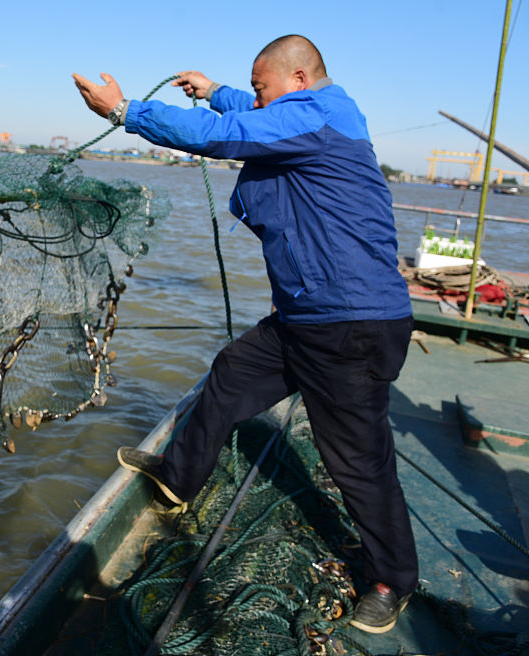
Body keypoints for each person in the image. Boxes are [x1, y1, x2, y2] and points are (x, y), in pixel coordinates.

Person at [73, 35, 417, 635]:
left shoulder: (321, 115)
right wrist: (216, 93)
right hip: (307, 319)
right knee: (233, 372)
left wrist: (126, 113)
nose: (252, 98)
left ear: (301, 79)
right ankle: (179, 475)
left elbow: (231, 135)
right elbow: (257, 114)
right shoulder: (306, 112)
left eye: (259, 86)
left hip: (349, 326)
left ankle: (392, 581)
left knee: (358, 461)